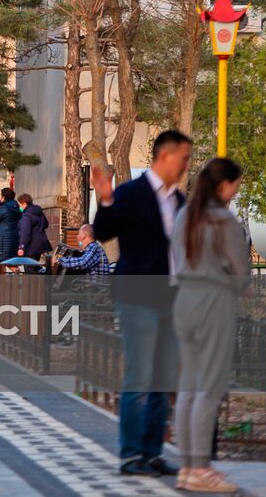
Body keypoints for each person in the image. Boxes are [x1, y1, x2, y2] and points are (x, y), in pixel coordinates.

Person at [93, 130, 192, 477]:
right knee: (140, 376)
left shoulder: (179, 201)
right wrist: (104, 200)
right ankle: (131, 454)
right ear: (165, 156)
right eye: (184, 158)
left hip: (171, 298)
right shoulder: (131, 193)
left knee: (164, 379)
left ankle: (152, 453)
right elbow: (104, 232)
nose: (186, 165)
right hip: (138, 298)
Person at [171, 157, 248, 494]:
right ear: (223, 185)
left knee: (188, 387)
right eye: (235, 185)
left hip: (184, 300)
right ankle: (201, 467)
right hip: (213, 303)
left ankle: (188, 467)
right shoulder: (223, 220)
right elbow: (242, 273)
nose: (236, 191)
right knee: (210, 388)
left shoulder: (184, 215)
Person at [0, 187, 21, 264]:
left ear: (4, 197)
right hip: (13, 238)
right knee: (11, 261)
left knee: (3, 263)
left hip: (3, 240)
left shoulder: (5, 208)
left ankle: (17, 273)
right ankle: (16, 273)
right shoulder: (15, 207)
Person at [18, 193, 51, 259]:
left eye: (20, 205)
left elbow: (25, 233)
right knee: (35, 265)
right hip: (41, 244)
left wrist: (22, 247)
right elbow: (46, 224)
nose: (20, 207)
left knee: (29, 268)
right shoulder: (39, 211)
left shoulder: (26, 215)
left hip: (31, 247)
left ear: (24, 204)